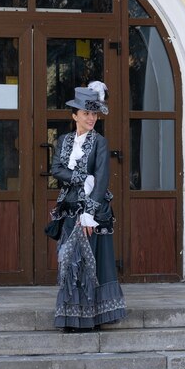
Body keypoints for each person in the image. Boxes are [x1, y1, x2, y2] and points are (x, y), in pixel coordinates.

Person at [49, 81, 127, 332]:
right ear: (75, 115)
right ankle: (72, 318)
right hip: (69, 207)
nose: (91, 118)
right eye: (86, 113)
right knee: (71, 261)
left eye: (94, 113)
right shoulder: (63, 141)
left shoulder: (100, 143)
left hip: (92, 211)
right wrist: (82, 177)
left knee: (90, 262)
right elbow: (56, 170)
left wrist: (89, 214)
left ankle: (92, 318)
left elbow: (102, 178)